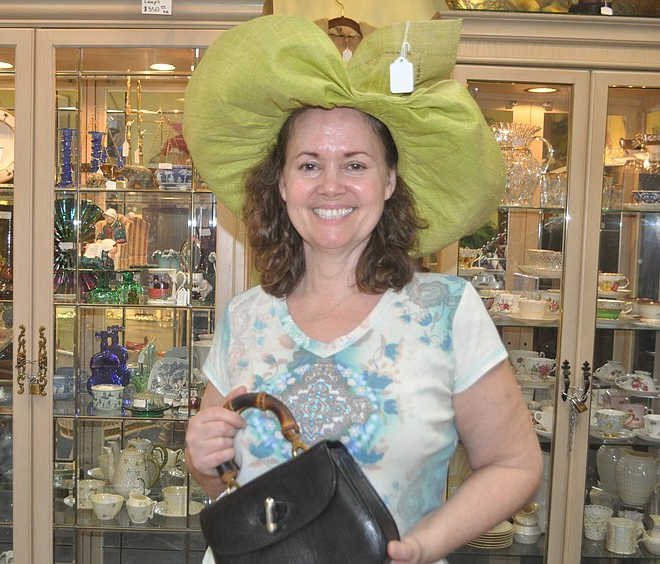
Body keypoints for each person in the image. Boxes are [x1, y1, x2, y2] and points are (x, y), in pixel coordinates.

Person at [181, 15, 542, 564]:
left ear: (390, 180)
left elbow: (515, 464)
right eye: (309, 165)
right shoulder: (245, 318)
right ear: (281, 184)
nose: (330, 185)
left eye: (355, 164)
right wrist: (204, 463)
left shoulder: (445, 312)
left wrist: (423, 545)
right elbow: (236, 499)